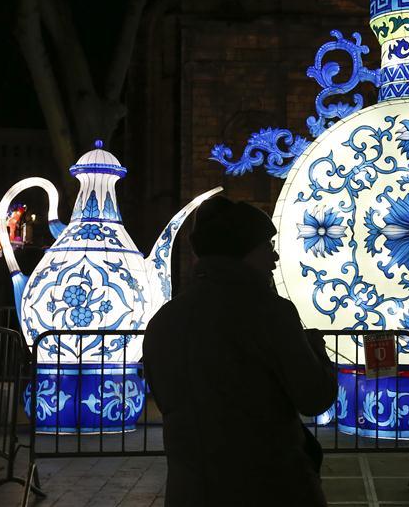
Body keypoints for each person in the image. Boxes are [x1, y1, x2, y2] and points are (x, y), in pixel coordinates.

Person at [143, 196, 337, 507]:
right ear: (242, 251)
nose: (274, 258)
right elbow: (314, 396)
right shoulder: (270, 313)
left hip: (190, 489)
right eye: (266, 246)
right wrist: (317, 351)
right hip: (268, 487)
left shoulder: (164, 320)